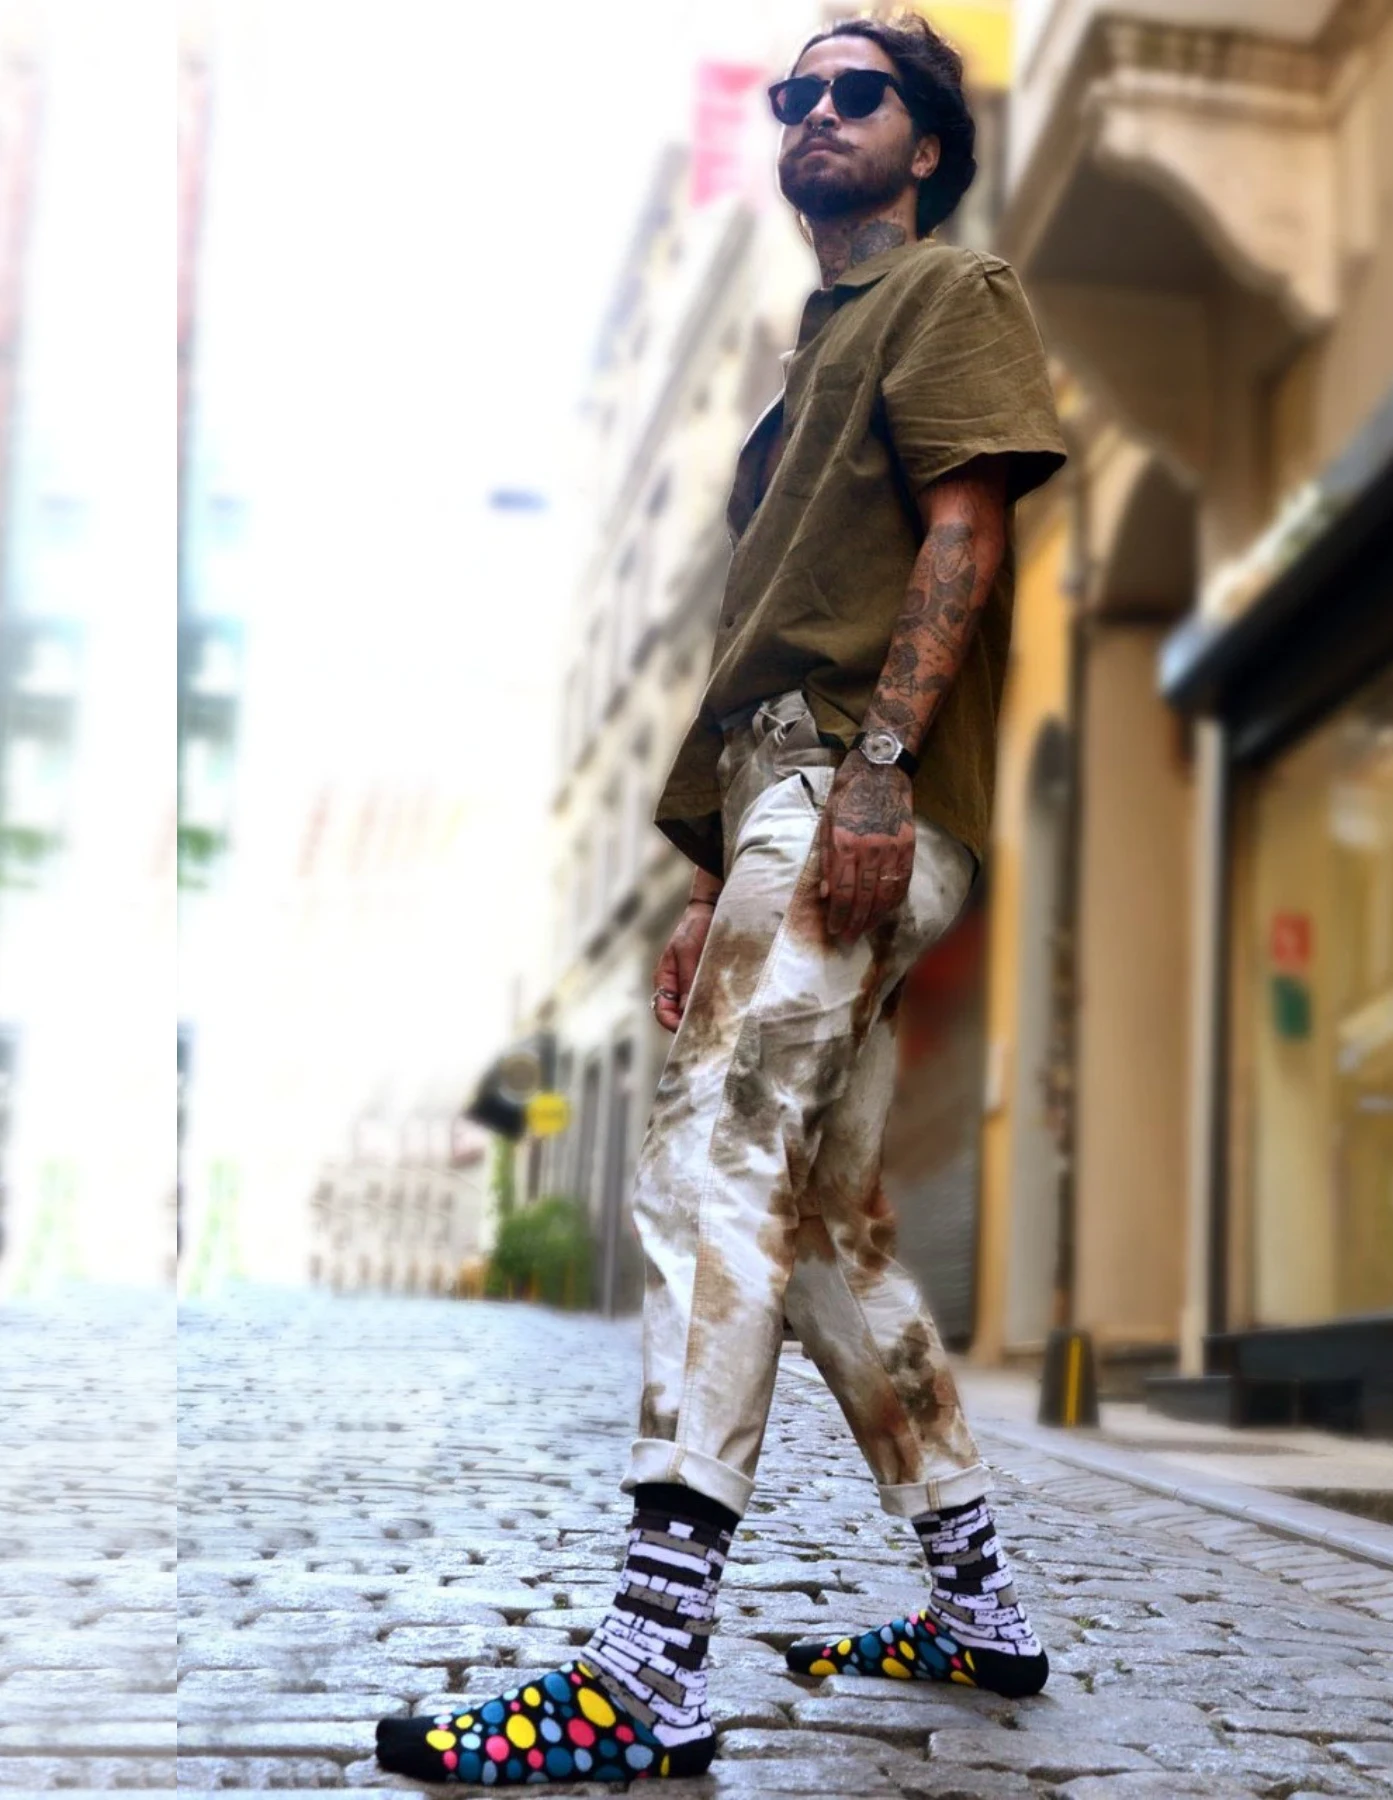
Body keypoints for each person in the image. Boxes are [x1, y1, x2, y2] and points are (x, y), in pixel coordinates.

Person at [377, 13, 1065, 1786]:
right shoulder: (797, 383)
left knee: (705, 1169)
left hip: (848, 785)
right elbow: (759, 641)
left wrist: (881, 769)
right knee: (829, 1235)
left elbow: (967, 531)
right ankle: (981, 1608)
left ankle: (641, 1669)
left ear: (925, 142)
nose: (813, 113)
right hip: (781, 800)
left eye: (859, 93)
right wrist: (706, 880)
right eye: (794, 94)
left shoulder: (949, 294)